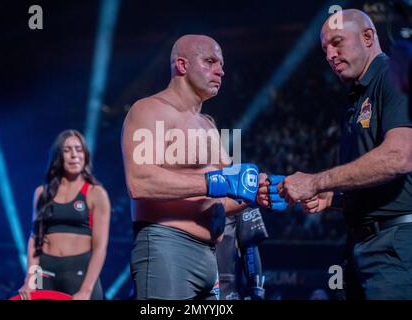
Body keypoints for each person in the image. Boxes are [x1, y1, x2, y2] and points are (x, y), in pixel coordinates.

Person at [261, 9, 412, 299]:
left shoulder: (394, 78)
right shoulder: (357, 97)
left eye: (338, 41)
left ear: (368, 37)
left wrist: (317, 182)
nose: (330, 54)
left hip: (395, 245)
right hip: (365, 246)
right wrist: (334, 198)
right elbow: (383, 182)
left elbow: (398, 157)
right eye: (324, 48)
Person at [121, 34, 283, 300]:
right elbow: (140, 182)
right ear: (182, 65)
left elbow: (221, 197)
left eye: (221, 64)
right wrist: (215, 181)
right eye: (210, 61)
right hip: (168, 247)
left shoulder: (207, 124)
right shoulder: (149, 110)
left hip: (210, 258)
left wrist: (258, 194)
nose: (220, 70)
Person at [18, 130, 111, 300]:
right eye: (67, 150)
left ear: (85, 155)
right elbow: (35, 239)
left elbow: (100, 248)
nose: (74, 155)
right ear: (58, 156)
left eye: (79, 149)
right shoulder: (41, 193)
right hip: (44, 273)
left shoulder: (96, 193)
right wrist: (30, 280)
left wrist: (86, 290)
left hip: (79, 273)